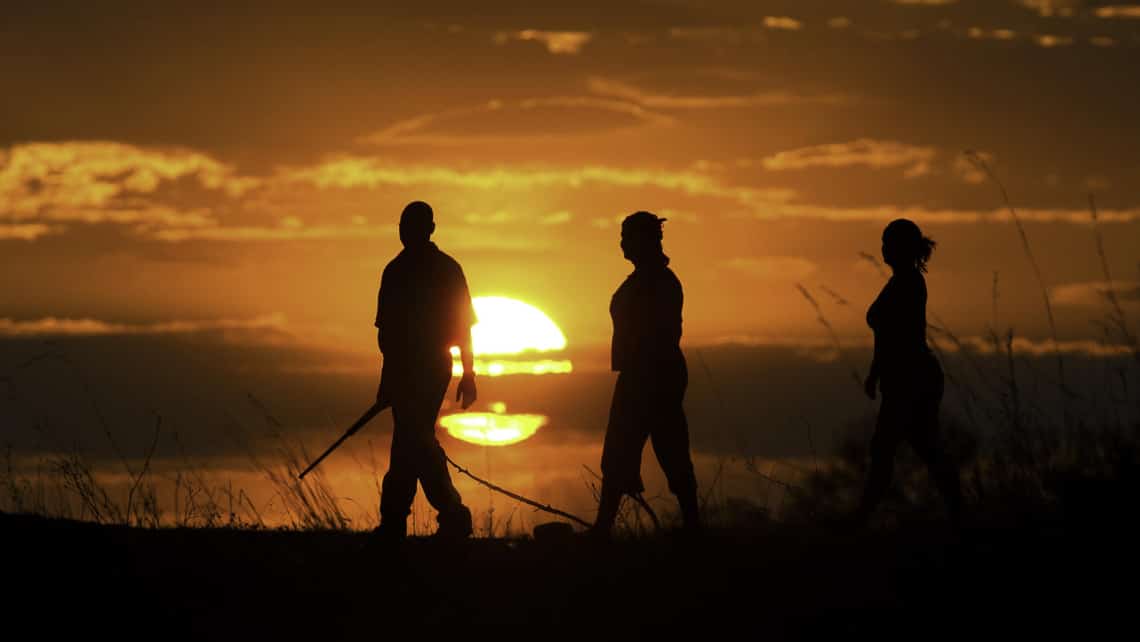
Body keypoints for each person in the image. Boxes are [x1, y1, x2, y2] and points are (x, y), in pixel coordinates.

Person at [589, 211, 700, 537]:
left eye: (628, 237)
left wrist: (645, 377)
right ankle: (604, 528)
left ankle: (691, 525)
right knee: (625, 451)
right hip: (642, 374)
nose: (622, 243)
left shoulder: (660, 282)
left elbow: (660, 334)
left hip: (653, 375)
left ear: (646, 240)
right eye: (622, 236)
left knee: (666, 449)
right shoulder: (644, 280)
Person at [373, 200, 478, 541]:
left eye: (414, 225)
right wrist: (387, 382)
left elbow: (463, 328)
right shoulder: (394, 271)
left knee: (413, 438)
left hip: (433, 367)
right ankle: (406, 522)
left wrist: (469, 374)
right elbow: (386, 336)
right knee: (409, 442)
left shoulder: (447, 270)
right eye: (403, 224)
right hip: (402, 370)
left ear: (430, 228)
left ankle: (448, 514)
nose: (406, 231)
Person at [856, 218, 962, 527]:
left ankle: (862, 517)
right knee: (918, 447)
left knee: (888, 447)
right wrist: (875, 373)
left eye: (889, 243)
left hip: (911, 378)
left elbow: (897, 335)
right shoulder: (900, 282)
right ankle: (958, 511)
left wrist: (881, 373)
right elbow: (886, 336)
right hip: (904, 376)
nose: (884, 249)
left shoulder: (909, 284)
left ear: (901, 248)